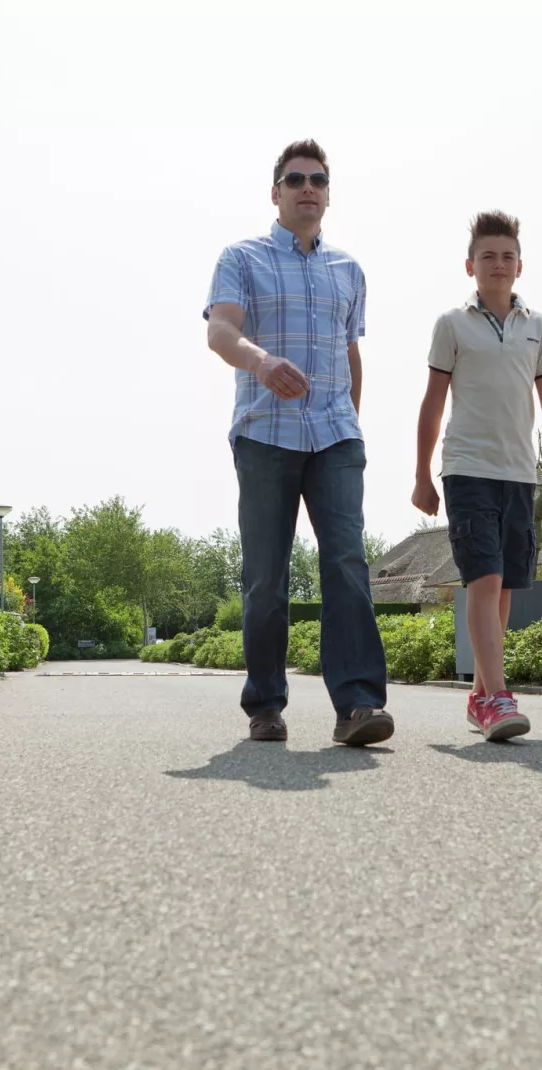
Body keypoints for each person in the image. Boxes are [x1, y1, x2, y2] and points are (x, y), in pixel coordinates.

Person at [203, 139, 393, 747]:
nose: (307, 187)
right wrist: (260, 363)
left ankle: (359, 706)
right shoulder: (242, 257)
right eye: (295, 179)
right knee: (266, 575)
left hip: (336, 436)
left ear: (328, 193)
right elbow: (221, 329)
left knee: (346, 563)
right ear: (276, 191)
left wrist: (353, 424)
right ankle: (265, 704)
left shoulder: (349, 270)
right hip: (266, 435)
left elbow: (351, 353)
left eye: (318, 179)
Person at [412, 211, 542, 741]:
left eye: (507, 256)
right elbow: (432, 403)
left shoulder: (537, 327)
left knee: (506, 588)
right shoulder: (452, 324)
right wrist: (423, 474)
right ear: (471, 265)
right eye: (488, 256)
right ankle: (496, 695)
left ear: (520, 266)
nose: (498, 264)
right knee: (484, 580)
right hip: (467, 468)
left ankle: (478, 696)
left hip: (520, 474)